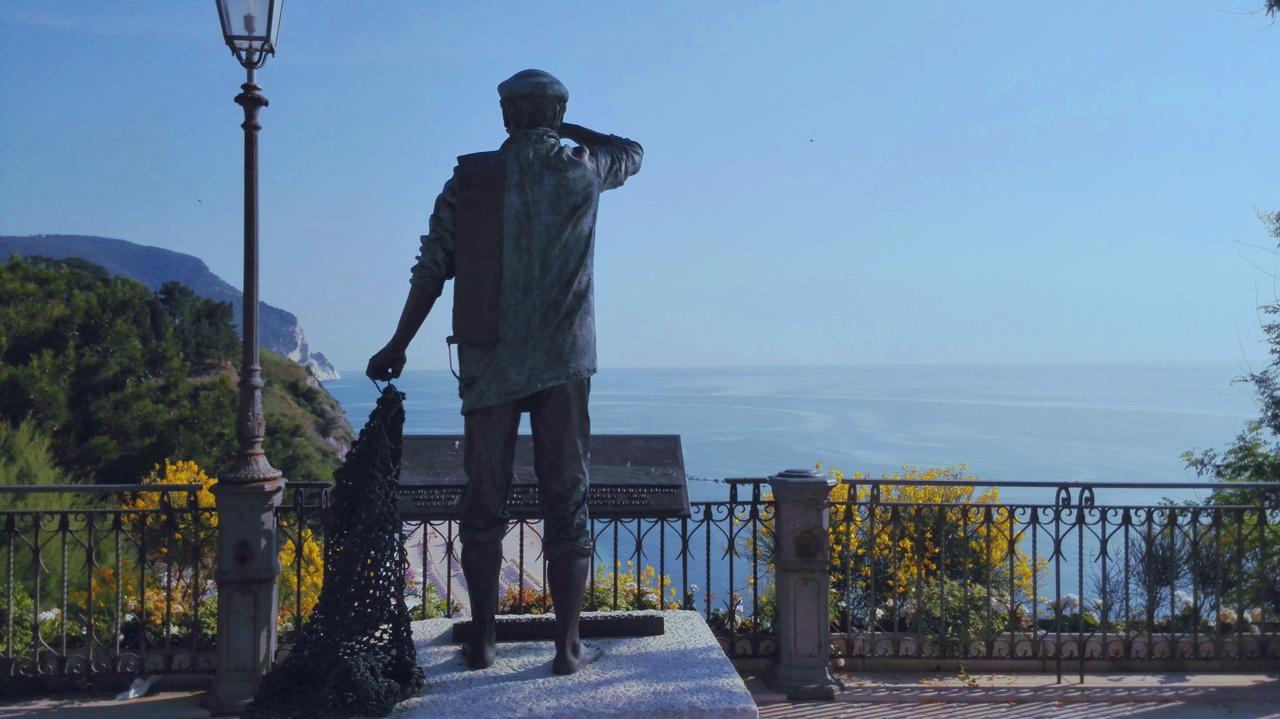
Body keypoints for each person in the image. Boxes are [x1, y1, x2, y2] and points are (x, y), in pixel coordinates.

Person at [366, 68, 642, 675]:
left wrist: (398, 343)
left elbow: (431, 267)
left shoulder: (471, 179)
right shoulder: (584, 167)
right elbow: (633, 151)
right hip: (564, 361)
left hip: (487, 360)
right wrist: (562, 126)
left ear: (504, 115)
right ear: (556, 113)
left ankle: (485, 638)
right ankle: (567, 646)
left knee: (483, 500)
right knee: (567, 496)